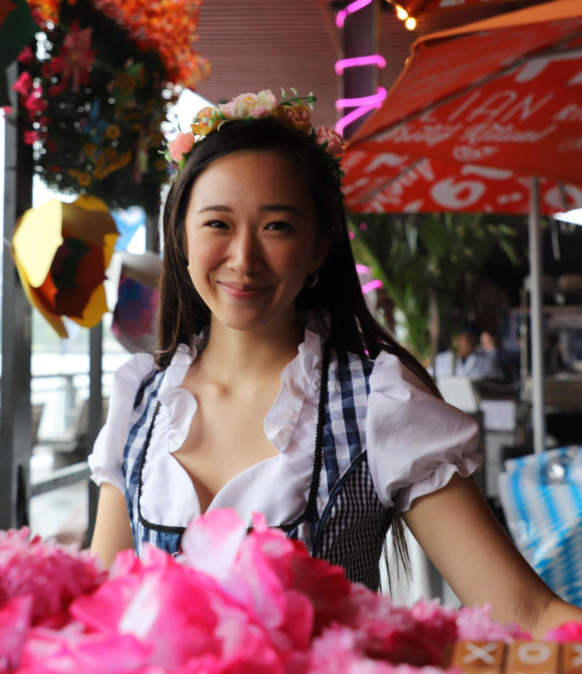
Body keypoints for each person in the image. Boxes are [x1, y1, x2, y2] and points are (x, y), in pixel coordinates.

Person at [89, 90, 582, 636]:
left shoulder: (379, 402)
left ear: (320, 245)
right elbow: (101, 611)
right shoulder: (139, 402)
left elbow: (527, 613)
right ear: (181, 232)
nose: (244, 258)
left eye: (277, 226)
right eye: (217, 224)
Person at [434, 324, 505, 381]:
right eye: (468, 337)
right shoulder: (440, 361)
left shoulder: (488, 361)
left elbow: (499, 384)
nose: (472, 341)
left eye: (474, 337)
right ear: (456, 338)